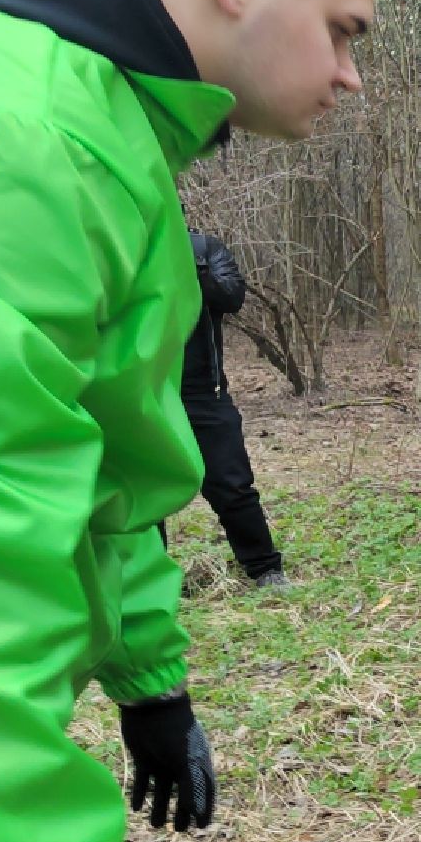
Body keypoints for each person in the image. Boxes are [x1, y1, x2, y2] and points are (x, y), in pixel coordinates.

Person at [0, 0, 395, 842]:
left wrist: (150, 683)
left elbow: (114, 474)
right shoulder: (25, 131)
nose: (352, 75)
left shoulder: (112, 140)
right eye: (344, 30)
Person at [183, 231, 287, 588]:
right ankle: (143, 584)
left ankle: (265, 569)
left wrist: (192, 266)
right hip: (144, 391)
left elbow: (232, 297)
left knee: (232, 483)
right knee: (142, 491)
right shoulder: (122, 245)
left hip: (203, 391)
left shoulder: (202, 249)